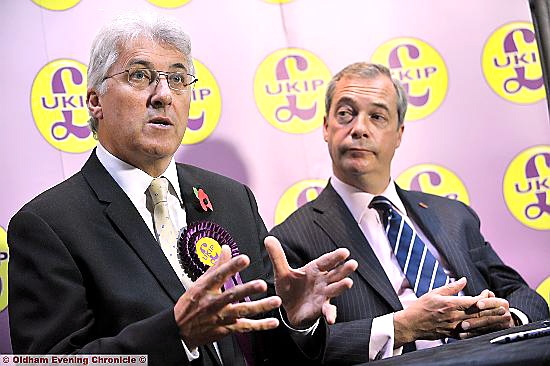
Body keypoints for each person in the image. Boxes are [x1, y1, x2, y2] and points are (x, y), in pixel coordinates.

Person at [7, 13, 358, 366]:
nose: (162, 95)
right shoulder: (48, 225)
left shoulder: (233, 199)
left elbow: (262, 346)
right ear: (95, 102)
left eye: (177, 79)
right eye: (140, 75)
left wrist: (295, 322)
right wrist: (176, 335)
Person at [270, 62, 550, 364]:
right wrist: (401, 327)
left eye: (377, 117)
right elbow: (297, 349)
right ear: (326, 127)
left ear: (399, 133)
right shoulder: (291, 240)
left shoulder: (453, 215)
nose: (359, 129)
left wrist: (509, 319)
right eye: (345, 114)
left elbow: (522, 294)